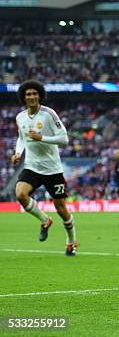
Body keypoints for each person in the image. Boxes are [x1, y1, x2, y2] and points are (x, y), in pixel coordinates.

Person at [10, 80, 78, 256]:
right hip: (31, 166)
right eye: (28, 95)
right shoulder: (20, 117)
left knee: (61, 208)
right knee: (20, 194)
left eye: (34, 94)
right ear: (23, 98)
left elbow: (64, 140)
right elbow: (21, 138)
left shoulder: (49, 114)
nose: (31, 97)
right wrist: (18, 153)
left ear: (39, 95)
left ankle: (72, 241)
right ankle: (45, 220)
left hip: (52, 169)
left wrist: (42, 138)